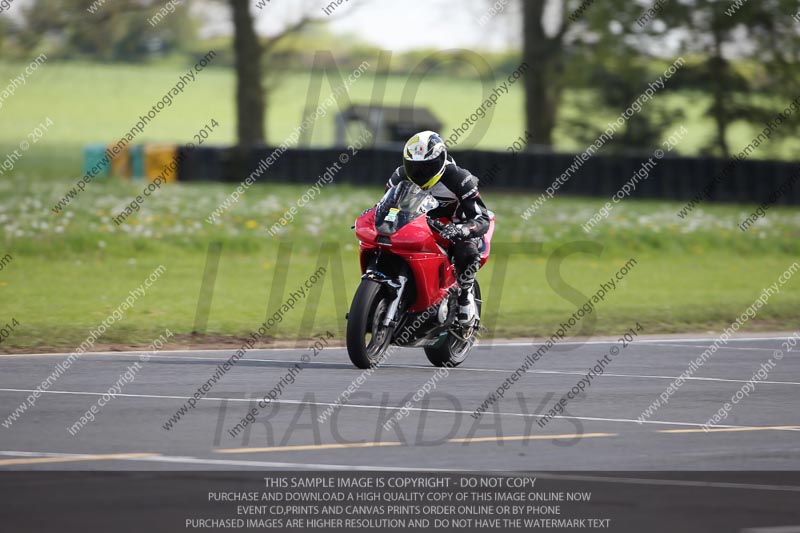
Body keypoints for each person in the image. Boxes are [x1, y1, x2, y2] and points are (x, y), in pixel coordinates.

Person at [386, 131, 491, 326]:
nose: (419, 173)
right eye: (413, 166)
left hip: (455, 226)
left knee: (467, 252)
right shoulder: (400, 176)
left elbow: (481, 217)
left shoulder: (460, 178)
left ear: (441, 160)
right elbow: (387, 206)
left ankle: (465, 297)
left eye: (427, 167)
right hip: (418, 225)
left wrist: (463, 229)